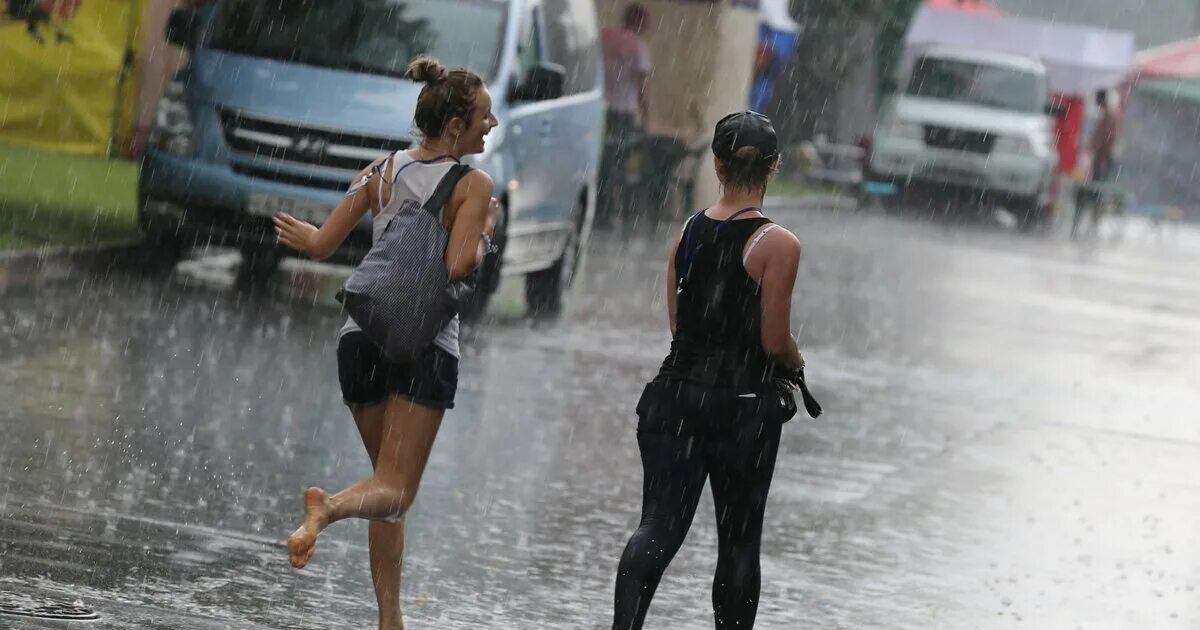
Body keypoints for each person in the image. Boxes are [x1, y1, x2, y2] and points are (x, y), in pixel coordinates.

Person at [273, 56, 498, 630]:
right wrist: (486, 234)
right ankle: (326, 509)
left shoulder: (382, 169)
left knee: (384, 485)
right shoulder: (473, 185)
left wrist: (303, 235)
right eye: (483, 117)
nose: (491, 124)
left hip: (363, 336)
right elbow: (456, 265)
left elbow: (324, 244)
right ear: (454, 127)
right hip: (425, 343)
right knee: (392, 493)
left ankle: (389, 620)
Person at [612, 111, 811, 630]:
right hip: (742, 411)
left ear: (717, 165)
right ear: (774, 166)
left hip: (673, 399)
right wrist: (796, 358)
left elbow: (678, 328)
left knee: (656, 529)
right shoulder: (778, 244)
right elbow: (773, 340)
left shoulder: (687, 231)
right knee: (740, 542)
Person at [598, 3, 652, 224]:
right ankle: (608, 212)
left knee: (602, 160)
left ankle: (599, 208)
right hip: (624, 111)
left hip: (602, 108)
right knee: (617, 162)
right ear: (639, 22)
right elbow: (641, 84)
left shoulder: (605, 36)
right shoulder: (638, 46)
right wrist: (646, 114)